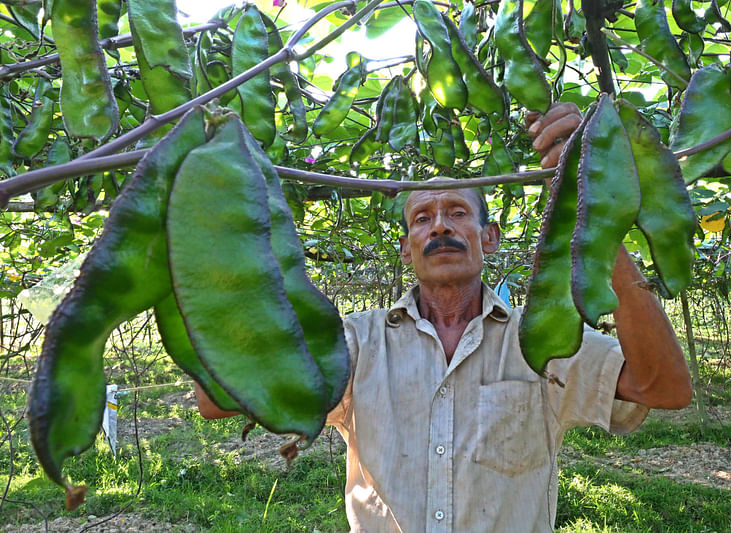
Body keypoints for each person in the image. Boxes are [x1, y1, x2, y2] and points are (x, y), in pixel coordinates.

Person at [195, 103, 692, 532]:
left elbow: (665, 388)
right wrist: (226, 247)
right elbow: (217, 400)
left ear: (489, 237)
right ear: (408, 250)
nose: (440, 227)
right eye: (422, 219)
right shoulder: (358, 342)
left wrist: (598, 208)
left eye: (457, 212)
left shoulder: (541, 338)